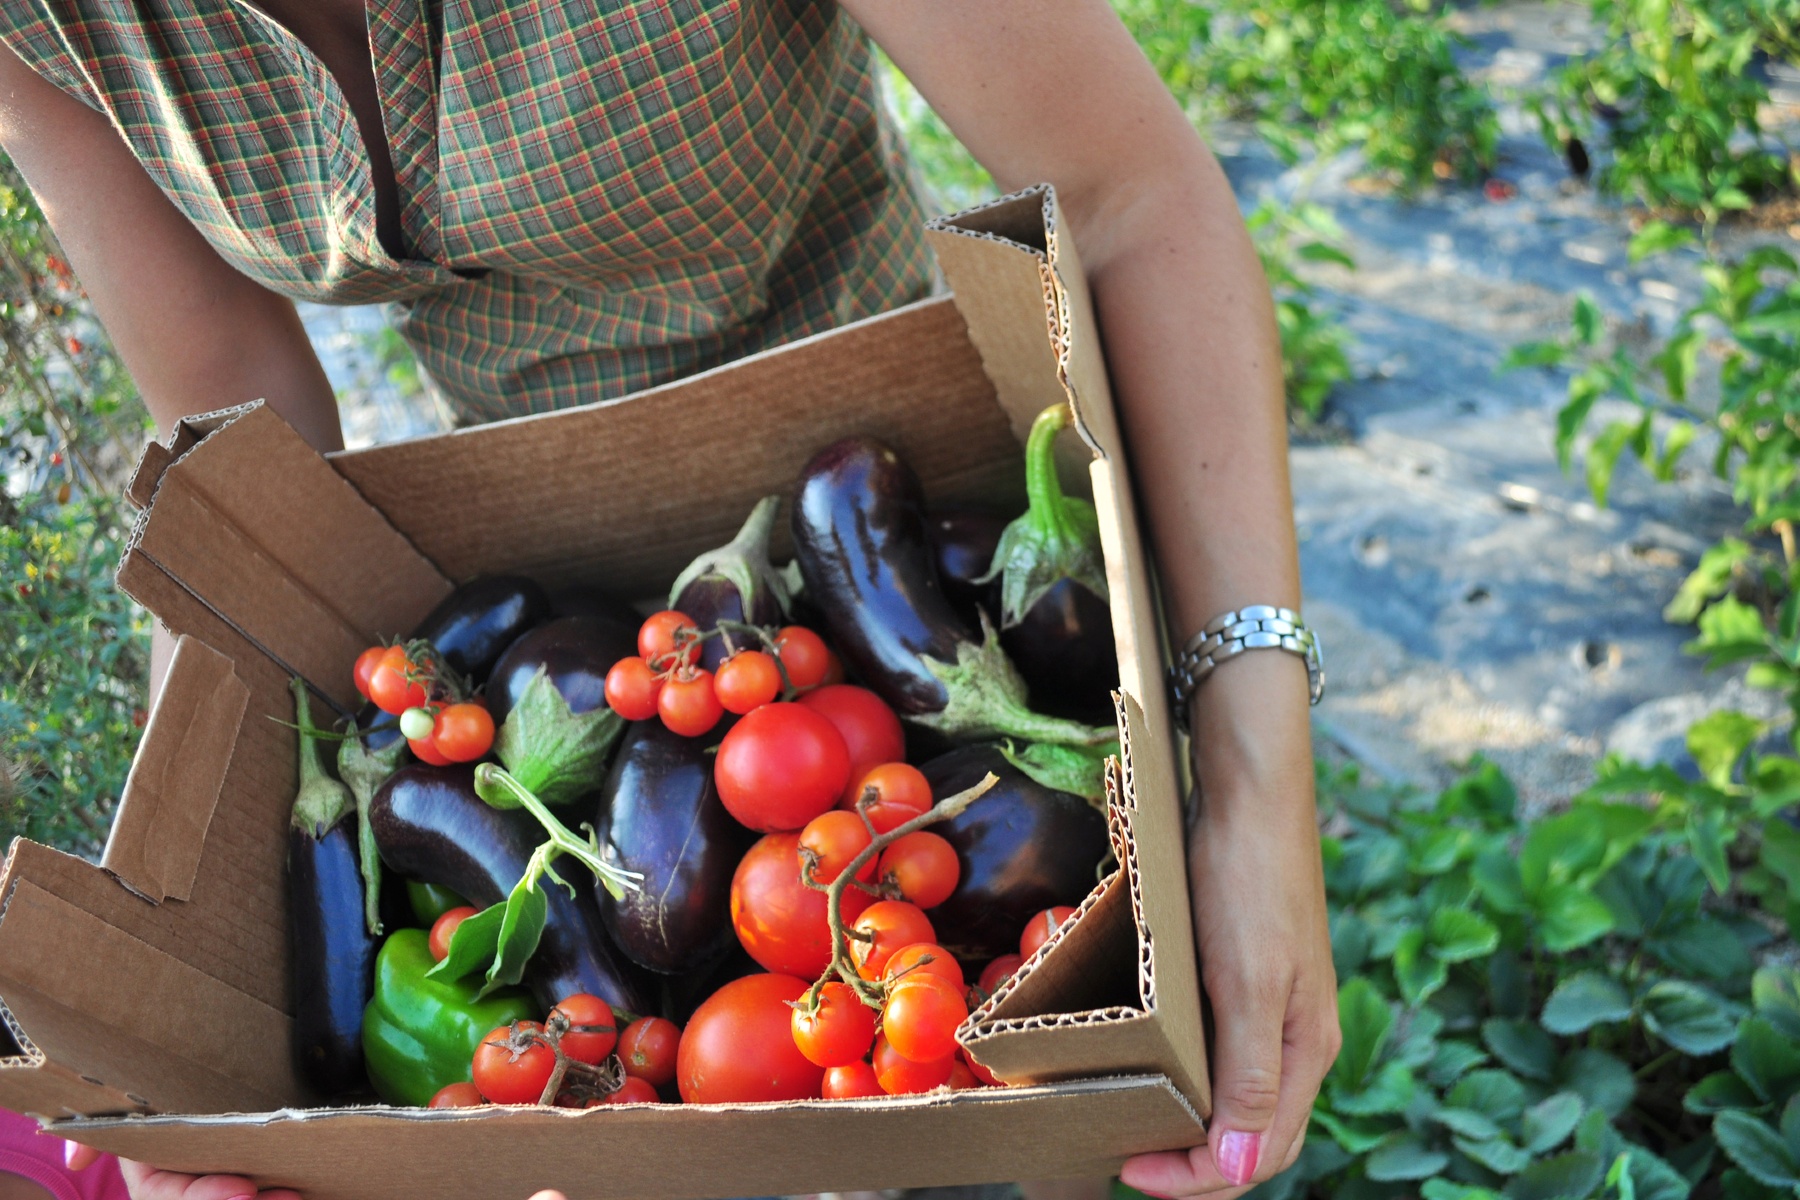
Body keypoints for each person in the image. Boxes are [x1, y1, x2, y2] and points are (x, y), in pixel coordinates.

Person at [0, 1, 1339, 1197]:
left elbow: (1127, 194)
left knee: (1021, 1076)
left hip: (913, 528)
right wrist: (199, 1001)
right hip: (578, 634)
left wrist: (1254, 775)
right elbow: (235, 438)